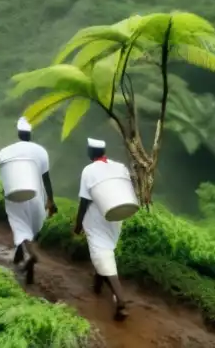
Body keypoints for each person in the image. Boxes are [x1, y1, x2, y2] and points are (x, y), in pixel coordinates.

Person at [74, 137, 130, 321]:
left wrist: (78, 224)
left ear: (91, 152)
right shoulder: (118, 166)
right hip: (115, 217)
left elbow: (84, 201)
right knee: (104, 251)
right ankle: (97, 287)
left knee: (101, 253)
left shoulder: (88, 170)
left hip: (96, 217)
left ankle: (121, 300)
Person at [0, 116, 56, 284]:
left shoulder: (7, 151)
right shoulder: (41, 151)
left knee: (21, 228)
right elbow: (46, 179)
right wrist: (51, 200)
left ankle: (32, 255)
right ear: (30, 133)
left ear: (18, 132)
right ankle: (28, 271)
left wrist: (5, 193)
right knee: (29, 230)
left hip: (16, 196)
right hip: (36, 196)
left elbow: (6, 178)